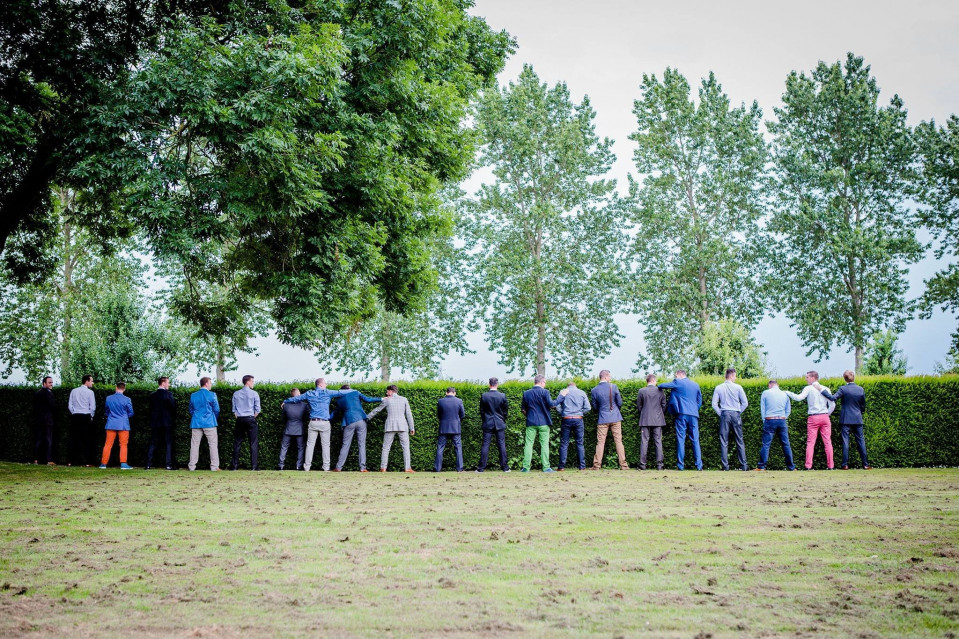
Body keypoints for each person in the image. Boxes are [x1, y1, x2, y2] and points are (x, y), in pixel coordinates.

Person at [283, 378, 351, 471]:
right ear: (321, 385)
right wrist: (355, 391)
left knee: (310, 445)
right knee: (326, 445)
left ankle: (307, 467)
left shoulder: (309, 393)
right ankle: (326, 467)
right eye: (325, 383)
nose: (326, 385)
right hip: (324, 423)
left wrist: (286, 401)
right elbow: (341, 392)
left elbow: (296, 398)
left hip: (313, 422)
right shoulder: (328, 392)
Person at [785, 370, 836, 470]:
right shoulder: (825, 389)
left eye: (807, 377)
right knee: (827, 442)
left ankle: (808, 466)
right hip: (825, 417)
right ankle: (831, 466)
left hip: (813, 417)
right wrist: (827, 414)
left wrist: (788, 393)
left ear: (813, 378)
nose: (806, 379)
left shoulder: (808, 388)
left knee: (810, 442)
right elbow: (832, 405)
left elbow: (799, 398)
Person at [819, 370, 870, 470]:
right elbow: (863, 405)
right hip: (857, 418)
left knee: (845, 442)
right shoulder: (860, 389)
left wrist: (821, 390)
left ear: (844, 378)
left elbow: (832, 398)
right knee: (861, 441)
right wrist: (860, 412)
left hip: (845, 419)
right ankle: (866, 464)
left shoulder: (843, 389)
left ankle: (845, 465)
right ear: (853, 377)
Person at [331, 384, 382, 472]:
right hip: (360, 420)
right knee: (361, 444)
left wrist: (326, 418)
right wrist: (381, 398)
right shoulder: (356, 392)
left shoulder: (339, 400)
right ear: (349, 389)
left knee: (345, 445)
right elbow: (368, 400)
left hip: (348, 421)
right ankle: (363, 468)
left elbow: (335, 412)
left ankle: (338, 467)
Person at [659, 370, 703, 470]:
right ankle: (699, 466)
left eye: (676, 376)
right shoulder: (695, 385)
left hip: (682, 414)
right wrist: (694, 409)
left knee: (681, 439)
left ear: (679, 375)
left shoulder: (677, 382)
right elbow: (699, 401)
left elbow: (662, 385)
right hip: (694, 415)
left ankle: (680, 465)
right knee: (695, 440)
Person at [520, 375, 565, 472]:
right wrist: (561, 396)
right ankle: (546, 467)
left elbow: (523, 409)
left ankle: (526, 468)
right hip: (544, 422)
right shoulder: (545, 392)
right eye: (545, 382)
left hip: (531, 422)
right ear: (541, 382)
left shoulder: (526, 393)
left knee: (528, 444)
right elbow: (552, 404)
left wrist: (529, 416)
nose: (545, 384)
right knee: (544, 445)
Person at [366, 384, 416, 472]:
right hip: (402, 426)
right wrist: (412, 427)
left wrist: (367, 417)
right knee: (406, 448)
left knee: (386, 448)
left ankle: (383, 468)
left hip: (390, 426)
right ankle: (407, 468)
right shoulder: (404, 399)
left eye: (387, 391)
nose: (386, 393)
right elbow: (409, 414)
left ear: (391, 391)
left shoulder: (387, 400)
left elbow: (377, 410)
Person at [711, 367, 749, 471]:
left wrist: (721, 414)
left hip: (724, 414)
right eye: (735, 376)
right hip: (735, 414)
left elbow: (714, 404)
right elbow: (745, 403)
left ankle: (725, 466)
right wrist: (738, 412)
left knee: (724, 441)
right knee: (739, 440)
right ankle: (744, 466)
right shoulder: (738, 387)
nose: (736, 378)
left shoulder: (719, 387)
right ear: (731, 375)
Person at [590, 370, 628, 470]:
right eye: (609, 376)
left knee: (600, 443)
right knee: (619, 441)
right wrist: (615, 410)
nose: (610, 378)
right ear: (606, 377)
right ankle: (623, 465)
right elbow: (619, 403)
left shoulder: (594, 390)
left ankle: (597, 465)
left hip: (602, 418)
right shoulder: (613, 387)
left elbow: (594, 406)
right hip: (615, 417)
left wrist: (602, 411)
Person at [756, 379, 795, 471]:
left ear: (770, 385)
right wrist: (783, 417)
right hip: (781, 420)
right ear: (777, 385)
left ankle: (761, 466)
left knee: (766, 444)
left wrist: (764, 420)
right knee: (786, 444)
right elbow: (788, 410)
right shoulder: (784, 394)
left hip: (769, 420)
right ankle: (791, 467)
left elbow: (763, 409)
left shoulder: (765, 393)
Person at [477, 377, 510, 472]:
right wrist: (502, 419)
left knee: (485, 445)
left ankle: (481, 468)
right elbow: (505, 411)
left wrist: (485, 420)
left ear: (489, 384)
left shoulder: (484, 396)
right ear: (497, 384)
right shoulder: (502, 396)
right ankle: (505, 468)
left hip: (488, 422)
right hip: (499, 422)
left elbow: (482, 411)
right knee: (501, 445)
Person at [188, 376, 221, 471]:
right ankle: (214, 467)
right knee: (213, 445)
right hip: (210, 422)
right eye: (210, 383)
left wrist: (196, 416)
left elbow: (191, 409)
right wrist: (213, 418)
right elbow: (217, 410)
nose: (211, 385)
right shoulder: (212, 395)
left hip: (196, 422)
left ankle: (192, 466)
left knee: (194, 445)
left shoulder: (193, 395)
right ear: (206, 383)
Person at [556, 381, 590, 471]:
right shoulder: (582, 392)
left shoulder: (563, 392)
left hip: (566, 418)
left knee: (564, 443)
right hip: (578, 419)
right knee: (579, 443)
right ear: (575, 386)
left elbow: (557, 406)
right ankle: (582, 466)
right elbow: (588, 407)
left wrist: (563, 413)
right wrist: (580, 413)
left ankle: (561, 467)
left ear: (568, 386)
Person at [99, 382, 134, 469]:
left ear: (116, 387)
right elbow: (131, 412)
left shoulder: (109, 398)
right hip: (123, 425)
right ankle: (123, 464)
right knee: (123, 444)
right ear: (124, 389)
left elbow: (106, 411)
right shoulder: (127, 399)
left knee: (108, 444)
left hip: (111, 423)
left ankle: (103, 464)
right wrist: (125, 416)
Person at [230, 374, 261, 470]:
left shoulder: (236, 393)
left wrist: (239, 416)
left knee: (237, 442)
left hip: (240, 419)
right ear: (247, 382)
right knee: (253, 443)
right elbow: (257, 410)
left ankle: (234, 466)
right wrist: (252, 417)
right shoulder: (254, 393)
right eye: (252, 381)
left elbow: (234, 410)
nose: (253, 383)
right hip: (250, 418)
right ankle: (254, 466)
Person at [635, 374, 666, 471]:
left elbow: (639, 406)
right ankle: (660, 465)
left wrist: (643, 413)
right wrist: (659, 414)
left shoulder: (641, 391)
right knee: (658, 442)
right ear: (654, 380)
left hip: (645, 419)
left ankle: (643, 465)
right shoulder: (660, 391)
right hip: (658, 419)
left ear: (647, 381)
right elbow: (664, 405)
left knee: (644, 441)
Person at [146, 376, 176, 470]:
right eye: (168, 382)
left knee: (153, 443)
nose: (169, 384)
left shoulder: (152, 395)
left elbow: (150, 409)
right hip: (167, 422)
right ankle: (168, 464)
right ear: (163, 383)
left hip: (155, 423)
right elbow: (173, 408)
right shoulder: (169, 395)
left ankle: (148, 464)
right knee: (168, 443)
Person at [67, 374, 96, 467]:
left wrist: (74, 413)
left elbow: (70, 405)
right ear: (86, 381)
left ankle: (71, 461)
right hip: (86, 416)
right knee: (86, 440)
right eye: (91, 381)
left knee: (74, 439)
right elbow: (92, 407)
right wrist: (91, 416)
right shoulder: (90, 393)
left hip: (75, 416)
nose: (92, 382)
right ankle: (87, 461)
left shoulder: (74, 391)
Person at [435, 387, 466, 472]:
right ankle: (460, 468)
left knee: (440, 448)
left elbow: (439, 414)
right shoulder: (459, 401)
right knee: (458, 448)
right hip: (455, 427)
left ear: (446, 392)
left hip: (443, 427)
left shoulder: (440, 401)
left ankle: (437, 468)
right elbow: (462, 414)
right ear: (454, 393)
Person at [278, 388, 308, 470]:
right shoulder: (304, 405)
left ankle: (281, 465)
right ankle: (298, 466)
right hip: (299, 428)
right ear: (298, 394)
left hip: (288, 428)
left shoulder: (285, 405)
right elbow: (306, 417)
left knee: (284, 447)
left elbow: (283, 418)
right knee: (301, 448)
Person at [32, 376, 57, 466]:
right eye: (49, 382)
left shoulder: (37, 393)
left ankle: (36, 459)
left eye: (51, 382)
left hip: (38, 420)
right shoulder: (49, 393)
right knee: (48, 440)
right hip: (48, 420)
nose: (51, 384)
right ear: (44, 383)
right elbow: (52, 406)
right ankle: (48, 460)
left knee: (38, 440)